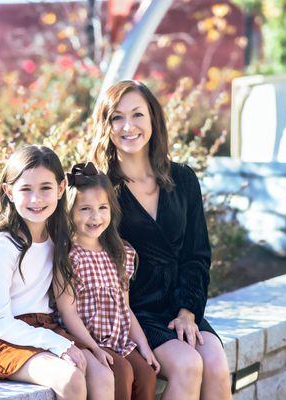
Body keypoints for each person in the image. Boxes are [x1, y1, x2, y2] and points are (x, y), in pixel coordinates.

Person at [91, 80, 232, 400]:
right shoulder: (99, 188)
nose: (128, 126)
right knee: (187, 365)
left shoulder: (182, 179)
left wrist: (188, 311)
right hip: (131, 310)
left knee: (215, 362)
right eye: (117, 117)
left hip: (178, 305)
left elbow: (197, 254)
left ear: (153, 119)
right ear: (106, 125)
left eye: (138, 114)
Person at [0, 145, 114, 400]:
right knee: (70, 377)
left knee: (103, 374)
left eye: (45, 188)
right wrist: (60, 344)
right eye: (25, 189)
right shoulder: (1, 245)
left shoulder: (58, 237)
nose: (36, 199)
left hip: (43, 326)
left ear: (61, 188)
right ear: (9, 192)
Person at [54, 162, 159, 400]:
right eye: (85, 209)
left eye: (103, 207)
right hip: (86, 339)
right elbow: (67, 313)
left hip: (118, 339)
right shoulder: (68, 256)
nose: (95, 217)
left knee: (147, 373)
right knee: (121, 372)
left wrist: (143, 345)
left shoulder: (120, 253)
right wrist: (92, 347)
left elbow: (125, 308)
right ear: (69, 211)